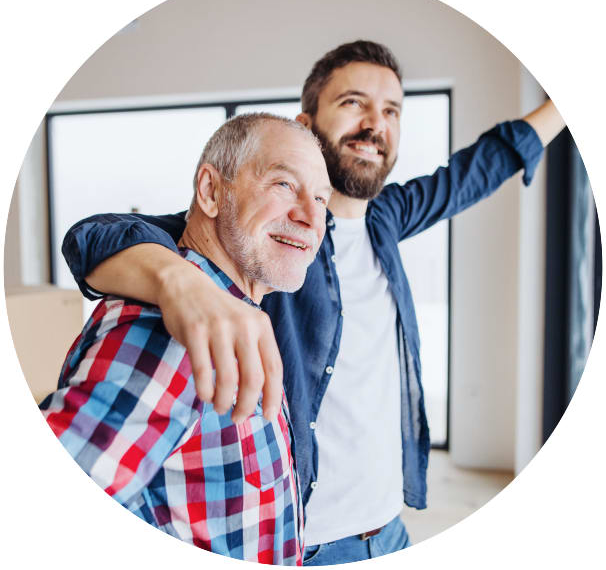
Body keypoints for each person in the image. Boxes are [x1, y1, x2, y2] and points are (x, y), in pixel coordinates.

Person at [61, 40, 565, 564]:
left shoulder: (385, 221)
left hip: (389, 527)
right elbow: (95, 236)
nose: (376, 124)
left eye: (391, 110)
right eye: (354, 103)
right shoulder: (258, 242)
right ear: (306, 123)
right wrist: (178, 283)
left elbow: (482, 166)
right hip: (313, 543)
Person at [41, 113, 332, 564]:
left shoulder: (241, 308)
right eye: (283, 185)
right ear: (211, 191)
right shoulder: (172, 334)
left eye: (320, 197)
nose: (313, 217)